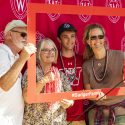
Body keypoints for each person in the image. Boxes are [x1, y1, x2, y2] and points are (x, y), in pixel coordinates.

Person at [22, 38, 73, 125]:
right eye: (45, 50)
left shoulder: (60, 74)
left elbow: (70, 97)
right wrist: (43, 80)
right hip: (35, 122)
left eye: (52, 49)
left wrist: (69, 103)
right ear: (38, 53)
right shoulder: (31, 72)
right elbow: (27, 97)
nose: (50, 52)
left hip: (58, 122)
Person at [83, 23, 125, 125]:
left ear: (104, 38)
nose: (98, 41)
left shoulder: (120, 56)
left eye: (100, 37)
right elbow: (88, 92)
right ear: (88, 41)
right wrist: (95, 95)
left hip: (120, 112)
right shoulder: (86, 65)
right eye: (93, 37)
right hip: (98, 113)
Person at [0, 20, 36, 125]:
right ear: (9, 35)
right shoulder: (1, 53)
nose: (26, 38)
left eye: (27, 35)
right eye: (23, 34)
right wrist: (23, 58)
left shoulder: (14, 56)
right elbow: (5, 85)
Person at [56, 23, 86, 125]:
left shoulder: (82, 60)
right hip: (59, 117)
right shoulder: (53, 62)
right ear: (59, 39)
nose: (70, 40)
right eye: (65, 37)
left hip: (79, 117)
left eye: (72, 36)